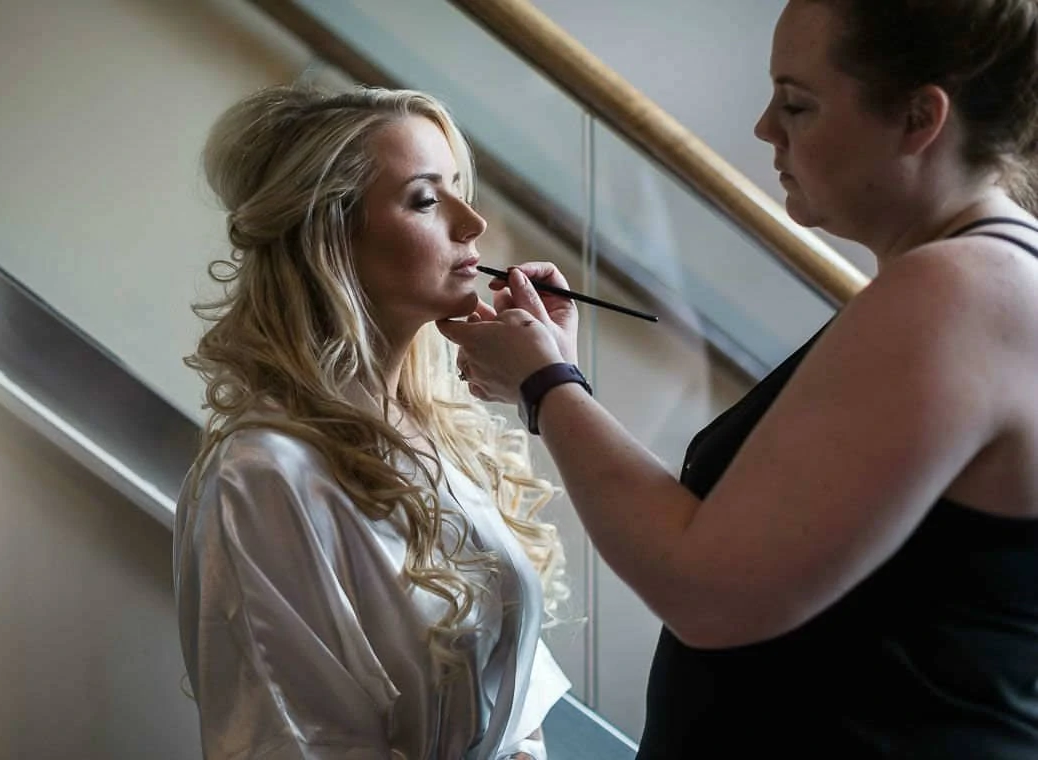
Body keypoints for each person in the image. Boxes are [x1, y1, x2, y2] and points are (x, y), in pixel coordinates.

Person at [438, 0, 1038, 756]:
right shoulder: (965, 282)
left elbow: (707, 590)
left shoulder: (962, 290)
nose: (765, 129)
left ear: (920, 118)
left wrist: (546, 384)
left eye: (797, 103)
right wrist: (552, 380)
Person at [172, 84, 571, 760]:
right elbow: (301, 743)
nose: (472, 224)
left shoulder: (442, 432)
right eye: (425, 199)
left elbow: (518, 709)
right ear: (331, 237)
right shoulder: (266, 476)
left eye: (458, 189)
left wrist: (556, 382)